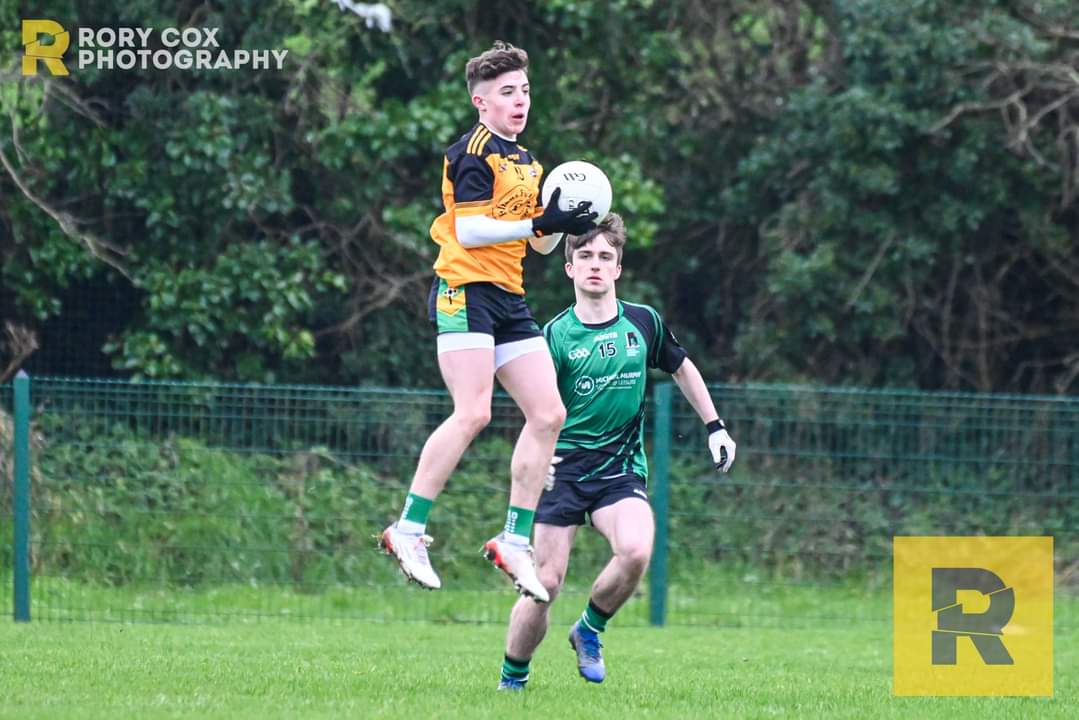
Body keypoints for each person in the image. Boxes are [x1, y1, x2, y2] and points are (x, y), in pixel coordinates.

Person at [379, 41, 598, 602]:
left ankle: (513, 539)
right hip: (463, 290)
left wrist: (563, 222)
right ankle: (406, 529)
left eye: (524, 91)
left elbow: (542, 246)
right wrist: (539, 223)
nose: (519, 101)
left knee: (548, 413)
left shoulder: (530, 163)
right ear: (481, 102)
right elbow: (472, 231)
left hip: (508, 297)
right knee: (473, 412)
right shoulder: (470, 152)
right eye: (506, 93)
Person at [496, 213, 737, 689]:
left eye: (605, 257)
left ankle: (589, 628)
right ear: (568, 268)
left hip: (619, 469)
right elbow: (535, 412)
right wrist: (534, 468)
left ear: (618, 268)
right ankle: (512, 681)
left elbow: (683, 367)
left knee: (635, 550)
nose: (595, 265)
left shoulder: (643, 322)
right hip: (561, 470)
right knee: (543, 584)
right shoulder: (552, 337)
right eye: (584, 256)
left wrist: (715, 427)